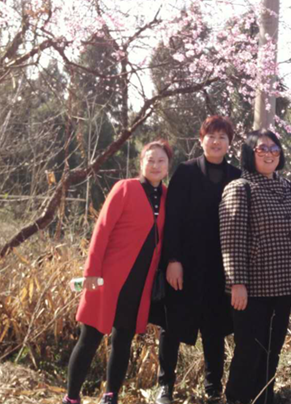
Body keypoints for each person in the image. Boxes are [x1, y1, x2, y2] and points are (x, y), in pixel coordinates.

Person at [62, 140, 173, 404]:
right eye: (150, 160)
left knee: (122, 340)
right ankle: (72, 397)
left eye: (161, 161)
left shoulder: (168, 197)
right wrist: (91, 271)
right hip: (107, 278)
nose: (155, 165)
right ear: (141, 163)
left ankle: (110, 395)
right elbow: (101, 231)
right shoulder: (125, 188)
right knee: (89, 338)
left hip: (140, 283)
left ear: (168, 166)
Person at [219, 129, 291, 404]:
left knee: (273, 347)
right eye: (262, 149)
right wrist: (237, 283)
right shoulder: (239, 188)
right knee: (249, 348)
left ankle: (264, 397)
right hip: (252, 286)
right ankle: (237, 398)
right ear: (250, 153)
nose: (270, 154)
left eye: (274, 149)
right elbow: (232, 240)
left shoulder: (285, 187)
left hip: (283, 284)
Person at [155, 116, 241, 404]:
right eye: (211, 136)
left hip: (221, 267)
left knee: (215, 328)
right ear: (201, 139)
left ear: (229, 143)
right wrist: (173, 259)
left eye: (222, 137)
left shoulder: (237, 175)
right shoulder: (186, 171)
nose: (216, 142)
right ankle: (165, 385)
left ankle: (213, 388)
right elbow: (173, 219)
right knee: (172, 324)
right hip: (185, 263)